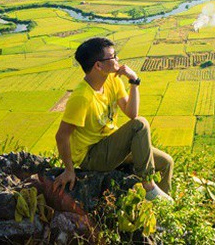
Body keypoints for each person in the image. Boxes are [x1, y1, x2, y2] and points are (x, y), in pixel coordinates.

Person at [53, 37, 173, 201]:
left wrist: (134, 82)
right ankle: (148, 185)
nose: (118, 59)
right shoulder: (82, 97)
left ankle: (160, 206)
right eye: (113, 56)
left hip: (111, 145)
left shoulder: (111, 80)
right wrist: (69, 170)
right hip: (92, 156)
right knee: (140, 125)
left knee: (166, 163)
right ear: (98, 65)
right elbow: (62, 135)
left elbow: (131, 113)